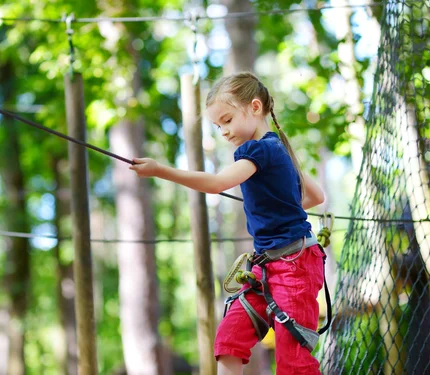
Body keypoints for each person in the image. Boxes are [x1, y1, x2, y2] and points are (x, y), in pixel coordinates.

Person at [129, 72, 327, 374]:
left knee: (293, 361)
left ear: (255, 107)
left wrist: (160, 170)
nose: (223, 131)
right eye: (217, 125)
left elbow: (217, 183)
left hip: (294, 264)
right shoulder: (279, 149)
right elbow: (315, 196)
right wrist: (278, 204)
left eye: (227, 120)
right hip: (266, 266)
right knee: (229, 341)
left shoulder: (258, 149)